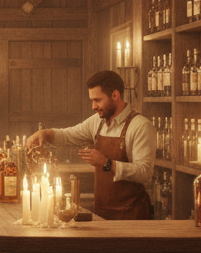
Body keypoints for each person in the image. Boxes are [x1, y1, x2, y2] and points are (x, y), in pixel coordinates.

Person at [26, 69, 154, 220]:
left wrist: (107, 163)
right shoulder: (97, 122)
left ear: (115, 95)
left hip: (132, 217)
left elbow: (145, 173)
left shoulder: (140, 126)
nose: (93, 106)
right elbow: (68, 135)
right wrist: (45, 134)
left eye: (97, 100)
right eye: (92, 100)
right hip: (102, 213)